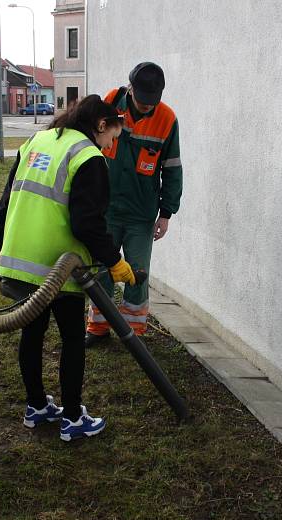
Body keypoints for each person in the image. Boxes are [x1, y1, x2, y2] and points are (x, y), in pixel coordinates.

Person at [0, 95, 135, 442]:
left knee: (33, 333)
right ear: (101, 125)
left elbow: (7, 199)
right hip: (58, 267)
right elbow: (87, 223)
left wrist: (4, 243)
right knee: (73, 338)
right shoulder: (87, 156)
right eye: (112, 138)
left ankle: (37, 406)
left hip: (20, 260)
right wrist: (114, 261)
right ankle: (72, 419)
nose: (110, 146)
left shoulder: (37, 141)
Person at [85, 62, 183, 347]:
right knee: (101, 267)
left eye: (151, 102)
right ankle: (98, 327)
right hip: (106, 209)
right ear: (130, 89)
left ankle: (133, 332)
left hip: (141, 214)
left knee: (137, 273)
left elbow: (173, 168)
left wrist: (166, 213)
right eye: (141, 101)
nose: (145, 107)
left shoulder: (167, 119)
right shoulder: (110, 103)